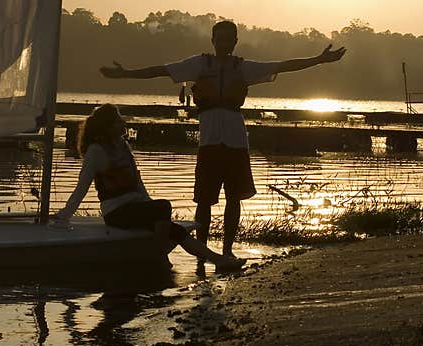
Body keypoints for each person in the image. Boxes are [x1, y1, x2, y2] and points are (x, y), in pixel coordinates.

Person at [100, 19, 346, 261]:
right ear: (213, 40)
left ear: (236, 42)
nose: (225, 43)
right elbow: (162, 70)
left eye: (230, 39)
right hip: (209, 142)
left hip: (236, 141)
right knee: (204, 200)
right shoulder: (199, 64)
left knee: (234, 198)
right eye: (221, 39)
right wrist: (126, 74)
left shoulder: (243, 68)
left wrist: (319, 59)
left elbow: (281, 65)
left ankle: (227, 250)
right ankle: (203, 253)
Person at [53, 103, 244, 272]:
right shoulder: (96, 151)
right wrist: (65, 215)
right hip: (116, 213)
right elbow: (82, 187)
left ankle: (218, 260)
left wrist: (149, 207)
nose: (123, 123)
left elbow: (138, 182)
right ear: (109, 126)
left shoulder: (122, 145)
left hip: (136, 208)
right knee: (164, 208)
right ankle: (159, 257)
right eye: (119, 121)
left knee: (175, 229)